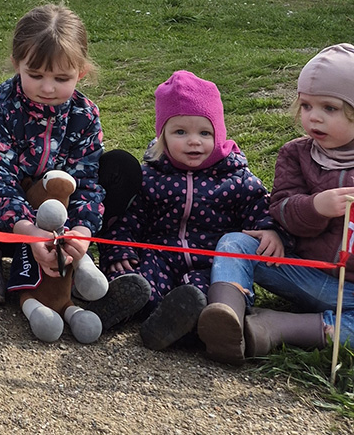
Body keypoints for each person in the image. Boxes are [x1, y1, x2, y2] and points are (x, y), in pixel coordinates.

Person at [0, 4, 146, 329]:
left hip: (62, 223)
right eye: (35, 75)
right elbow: (1, 182)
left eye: (62, 78)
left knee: (122, 166)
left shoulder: (86, 115)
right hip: (4, 223)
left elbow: (87, 180)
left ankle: (74, 263)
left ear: (82, 73)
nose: (47, 88)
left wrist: (82, 233)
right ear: (16, 64)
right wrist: (31, 233)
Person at [98, 70, 281, 351]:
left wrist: (269, 227)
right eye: (180, 132)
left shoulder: (236, 179)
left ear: (218, 135)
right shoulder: (153, 176)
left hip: (210, 263)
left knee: (204, 295)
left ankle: (177, 323)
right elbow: (129, 218)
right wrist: (119, 251)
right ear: (163, 136)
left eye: (204, 133)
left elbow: (259, 208)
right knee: (137, 279)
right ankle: (120, 304)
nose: (193, 141)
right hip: (159, 255)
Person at [200, 43, 354, 365]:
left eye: (330, 108)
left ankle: (276, 327)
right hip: (302, 270)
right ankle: (224, 315)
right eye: (307, 105)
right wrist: (316, 207)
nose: (314, 117)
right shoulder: (295, 154)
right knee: (235, 242)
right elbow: (282, 208)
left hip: (351, 291)